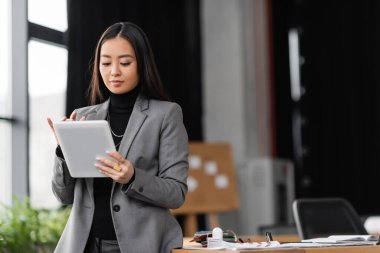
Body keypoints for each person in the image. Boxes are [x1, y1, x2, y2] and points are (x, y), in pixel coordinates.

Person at [47, 22, 189, 253]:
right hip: (84, 244)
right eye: (105, 63)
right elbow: (63, 196)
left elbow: (176, 193)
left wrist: (133, 177)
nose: (114, 71)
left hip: (141, 245)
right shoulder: (83, 117)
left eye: (125, 63)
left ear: (141, 64)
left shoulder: (166, 115)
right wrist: (62, 151)